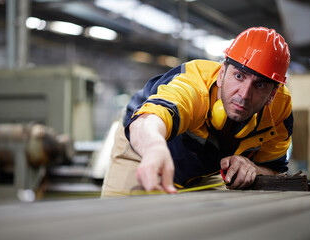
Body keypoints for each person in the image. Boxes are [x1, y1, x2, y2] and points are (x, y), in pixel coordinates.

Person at [101, 26, 293, 197]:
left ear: (273, 93)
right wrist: (153, 148)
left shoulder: (279, 112)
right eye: (239, 75)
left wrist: (253, 168)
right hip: (142, 151)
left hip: (202, 172)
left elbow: (275, 170)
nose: (244, 94)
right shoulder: (193, 86)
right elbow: (151, 119)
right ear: (221, 74)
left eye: (260, 85)